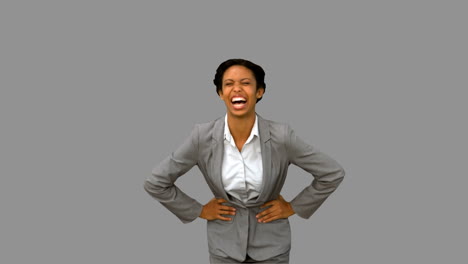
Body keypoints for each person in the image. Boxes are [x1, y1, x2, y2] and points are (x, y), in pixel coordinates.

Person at [144, 58, 345, 263]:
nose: (237, 89)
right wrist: (199, 210)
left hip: (272, 247)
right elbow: (156, 183)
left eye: (246, 83)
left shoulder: (281, 136)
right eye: (229, 84)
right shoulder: (201, 137)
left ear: (260, 92)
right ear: (220, 93)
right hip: (224, 247)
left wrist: (294, 206)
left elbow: (331, 173)